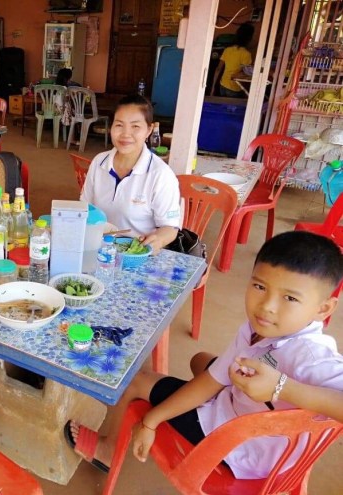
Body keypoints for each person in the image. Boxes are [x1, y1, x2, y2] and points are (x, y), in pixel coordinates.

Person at [66, 231, 343, 479]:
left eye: (290, 298)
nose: (267, 306)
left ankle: (106, 450)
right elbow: (213, 378)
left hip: (236, 445)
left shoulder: (311, 355)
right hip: (251, 423)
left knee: (138, 381)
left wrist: (150, 422)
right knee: (200, 360)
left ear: (324, 308)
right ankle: (203, 398)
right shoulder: (258, 329)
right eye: (260, 287)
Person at [80, 95, 180, 253]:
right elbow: (84, 208)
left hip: (135, 253)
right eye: (119, 125)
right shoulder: (99, 162)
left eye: (135, 126)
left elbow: (170, 227)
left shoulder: (161, 175)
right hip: (98, 248)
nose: (126, 134)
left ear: (149, 130)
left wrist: (158, 240)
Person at [212, 22, 255, 98]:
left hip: (223, 85)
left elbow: (218, 69)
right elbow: (247, 73)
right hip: (235, 88)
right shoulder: (246, 54)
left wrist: (213, 87)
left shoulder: (227, 50)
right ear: (249, 38)